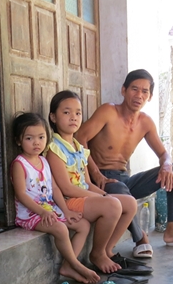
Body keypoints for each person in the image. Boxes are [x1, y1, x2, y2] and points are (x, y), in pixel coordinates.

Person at [75, 69, 173, 255]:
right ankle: (140, 238)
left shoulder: (145, 122)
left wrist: (166, 164)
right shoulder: (108, 111)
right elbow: (80, 137)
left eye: (144, 91)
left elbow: (164, 153)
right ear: (123, 90)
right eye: (134, 89)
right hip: (101, 178)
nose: (139, 95)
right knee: (119, 189)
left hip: (124, 179)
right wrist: (95, 174)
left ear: (150, 96)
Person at [45, 91, 139, 274]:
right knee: (112, 205)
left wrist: (103, 195)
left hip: (84, 198)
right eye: (66, 112)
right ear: (53, 117)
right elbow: (66, 188)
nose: (73, 117)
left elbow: (87, 182)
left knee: (130, 203)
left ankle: (106, 250)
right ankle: (96, 254)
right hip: (67, 202)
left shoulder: (79, 148)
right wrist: (103, 197)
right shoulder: (54, 149)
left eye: (78, 113)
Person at [10, 113, 100, 284]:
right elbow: (21, 195)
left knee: (83, 225)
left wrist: (66, 211)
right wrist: (42, 212)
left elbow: (55, 188)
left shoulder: (44, 161)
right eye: (29, 138)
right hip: (31, 214)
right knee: (60, 228)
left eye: (41, 137)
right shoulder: (19, 164)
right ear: (18, 141)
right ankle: (76, 264)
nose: (36, 142)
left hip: (50, 209)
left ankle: (67, 265)